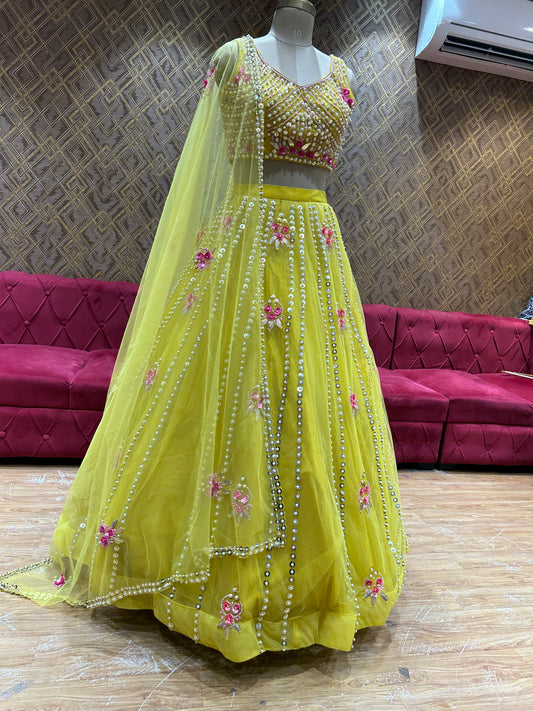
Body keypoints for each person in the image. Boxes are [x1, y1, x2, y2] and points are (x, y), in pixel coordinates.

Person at [0, 0, 407, 662]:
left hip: (315, 258)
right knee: (225, 395)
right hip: (243, 254)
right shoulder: (233, 58)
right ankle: (200, 572)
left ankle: (312, 581)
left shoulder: (345, 75)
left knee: (313, 405)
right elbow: (208, 173)